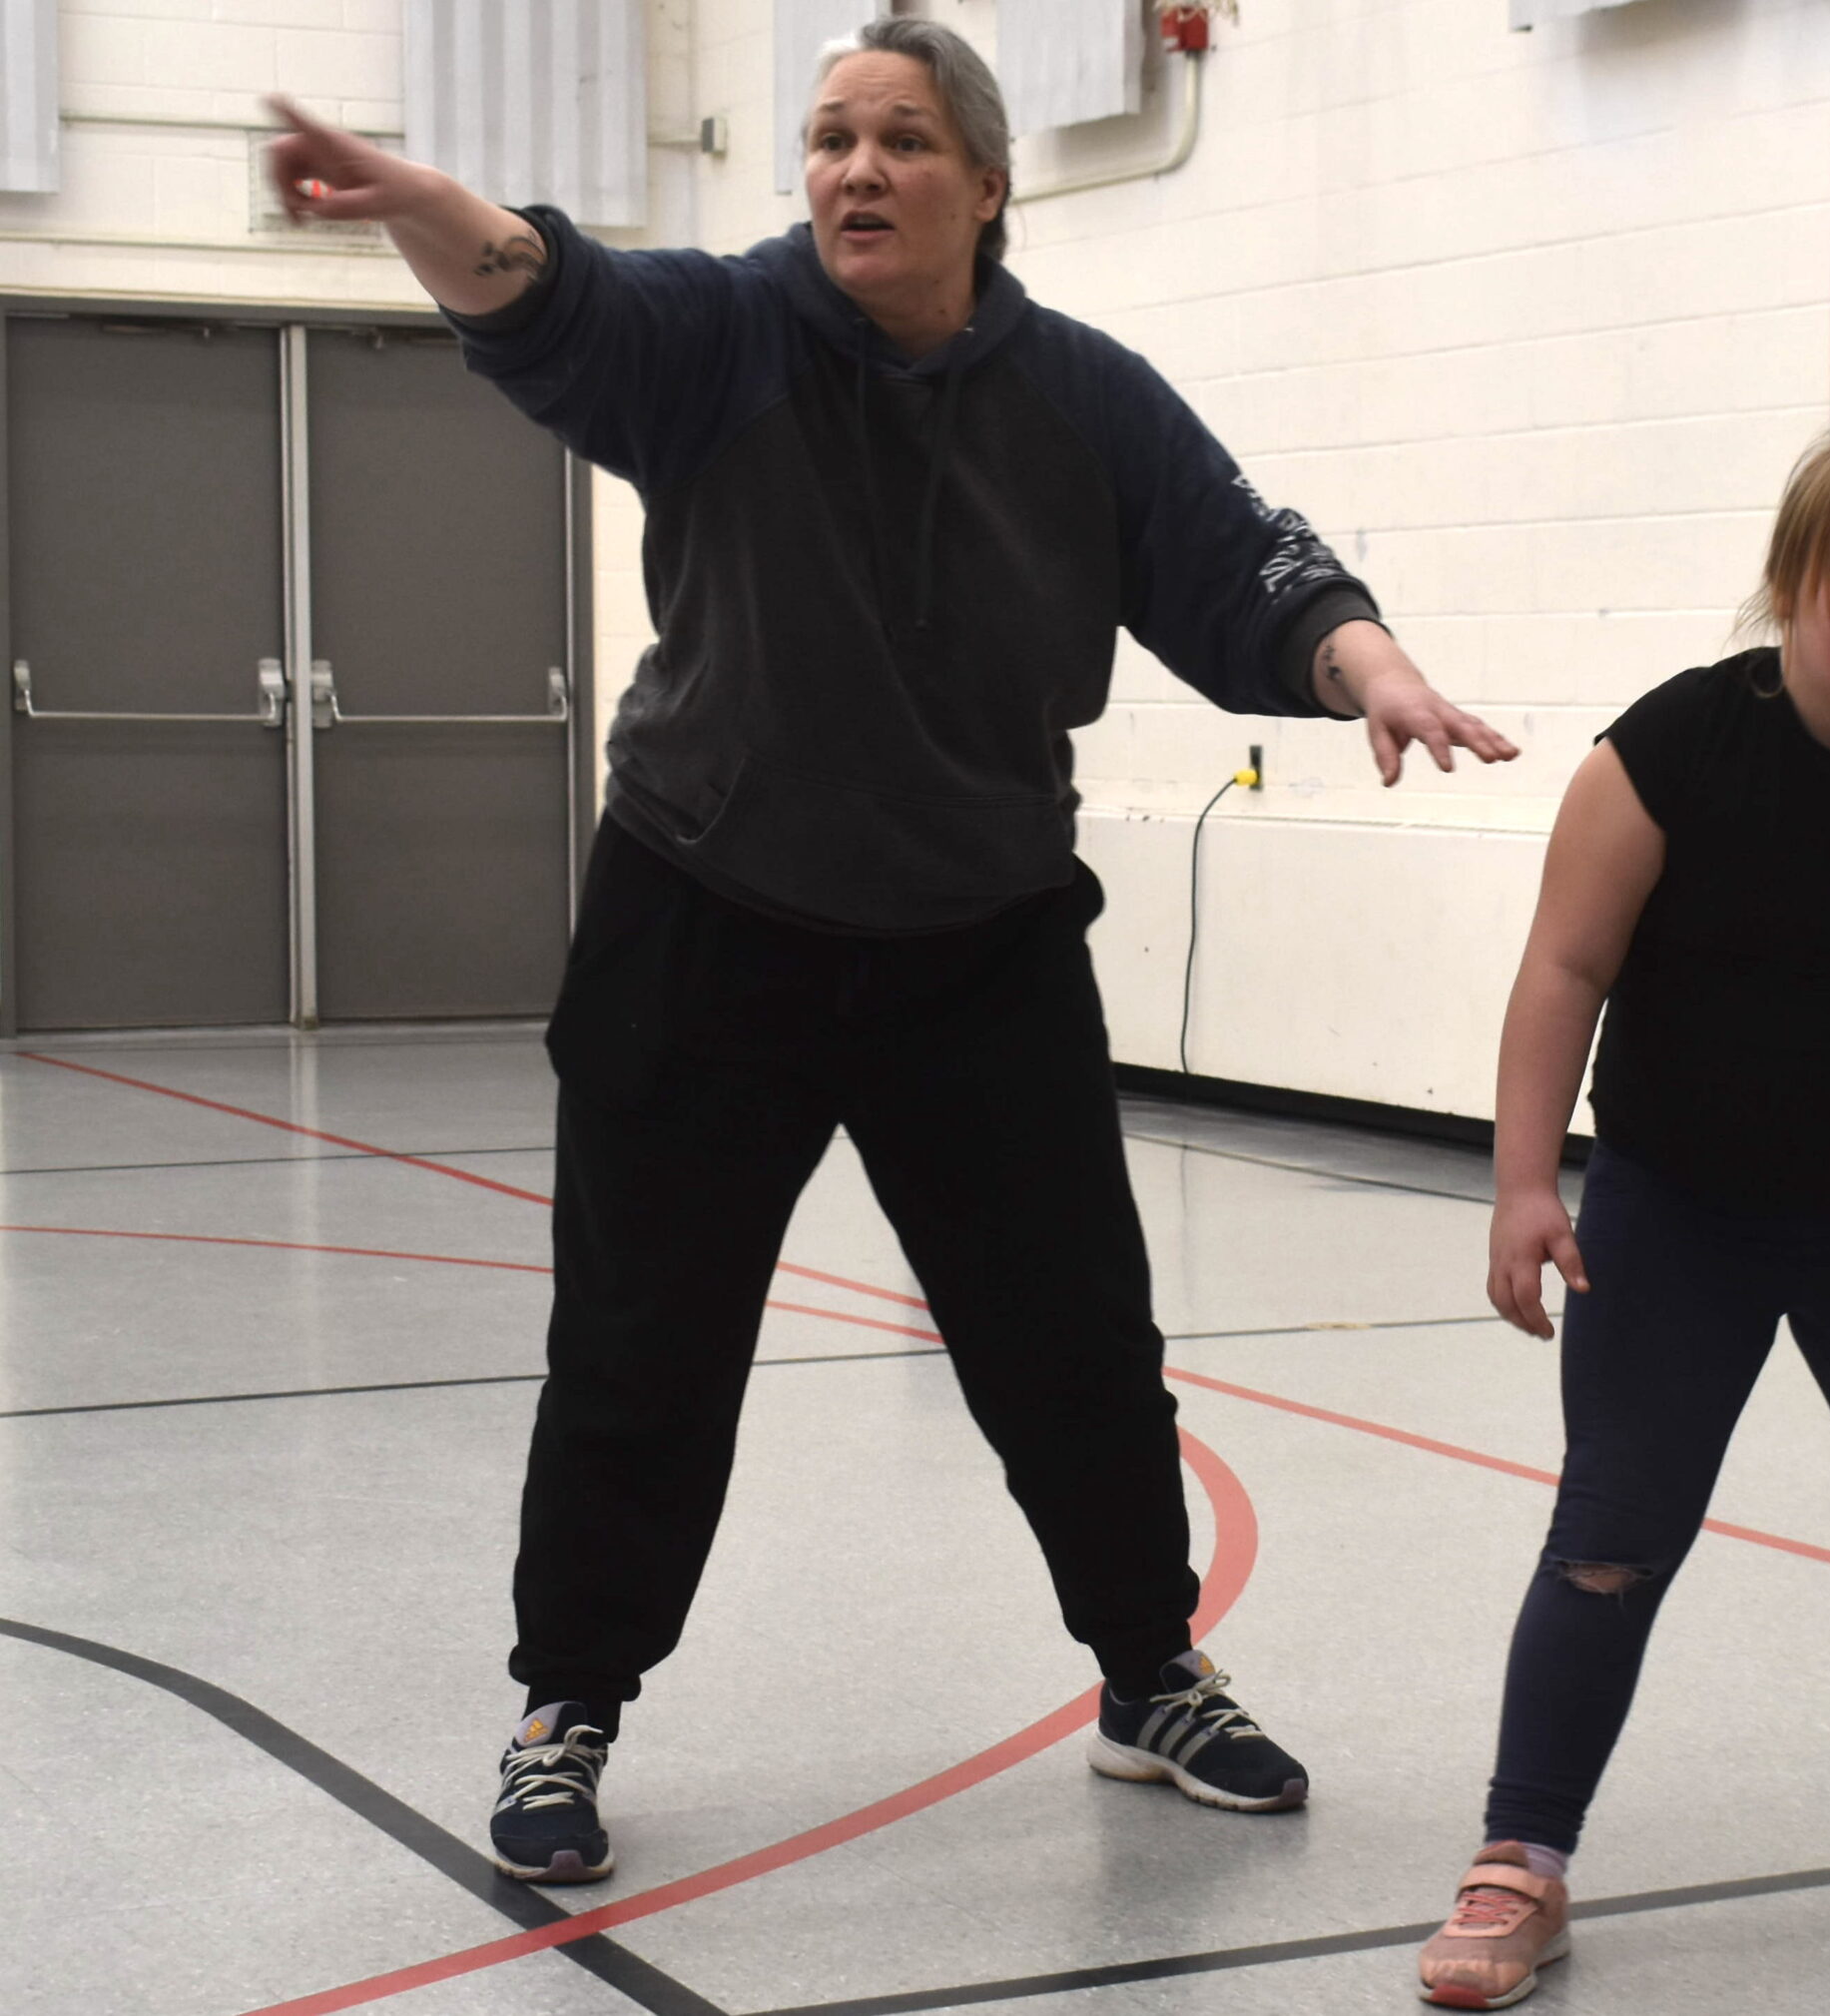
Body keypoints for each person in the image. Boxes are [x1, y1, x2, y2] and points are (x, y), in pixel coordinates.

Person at [264, 16, 1517, 1885]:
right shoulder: (724, 339)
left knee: (1076, 1342)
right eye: (830, 136)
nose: (855, 168)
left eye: (903, 139)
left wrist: (1369, 667)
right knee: (642, 1344)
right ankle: (568, 1702)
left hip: (978, 943)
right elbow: (549, 299)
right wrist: (420, 205)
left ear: (987, 189)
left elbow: (1241, 560)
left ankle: (1148, 1675)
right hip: (705, 920)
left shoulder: (1083, 396)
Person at [1416, 428, 1830, 2009]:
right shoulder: (1665, 752)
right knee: (1611, 1538)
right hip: (1675, 1217)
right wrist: (1526, 1183)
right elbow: (1562, 972)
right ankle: (1522, 1855)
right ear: (1797, 582)